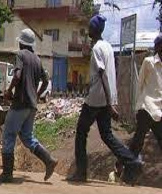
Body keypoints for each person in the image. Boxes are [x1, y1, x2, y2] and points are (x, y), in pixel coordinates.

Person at [66, 14, 142, 184]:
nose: (88, 30)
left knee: (81, 132)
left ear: (94, 30)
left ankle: (81, 172)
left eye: (90, 28)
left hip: (96, 98)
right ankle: (132, 161)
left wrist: (109, 103)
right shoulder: (107, 46)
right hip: (105, 98)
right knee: (106, 134)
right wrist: (111, 101)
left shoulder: (96, 49)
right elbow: (109, 74)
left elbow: (102, 75)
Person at [0, 29, 58, 183]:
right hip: (32, 106)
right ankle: (49, 160)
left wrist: (8, 91)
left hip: (20, 103)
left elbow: (17, 75)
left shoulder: (20, 55)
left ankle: (7, 173)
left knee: (8, 134)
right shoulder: (37, 59)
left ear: (21, 43)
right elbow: (46, 81)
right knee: (27, 137)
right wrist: (36, 94)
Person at [114, 34, 162, 181]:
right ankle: (123, 168)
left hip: (159, 111)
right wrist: (138, 106)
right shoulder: (149, 62)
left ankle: (121, 165)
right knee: (137, 142)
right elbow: (140, 84)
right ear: (158, 47)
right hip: (146, 108)